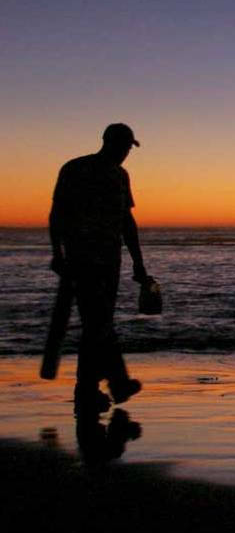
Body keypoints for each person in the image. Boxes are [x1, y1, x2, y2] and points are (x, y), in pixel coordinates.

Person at [49, 123, 151, 406]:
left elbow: (127, 222)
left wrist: (138, 262)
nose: (126, 152)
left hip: (111, 260)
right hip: (82, 259)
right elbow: (58, 213)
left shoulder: (121, 176)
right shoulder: (75, 169)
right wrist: (57, 253)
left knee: (97, 323)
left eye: (128, 148)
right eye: (124, 146)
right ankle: (113, 383)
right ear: (108, 142)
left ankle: (89, 388)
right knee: (98, 321)